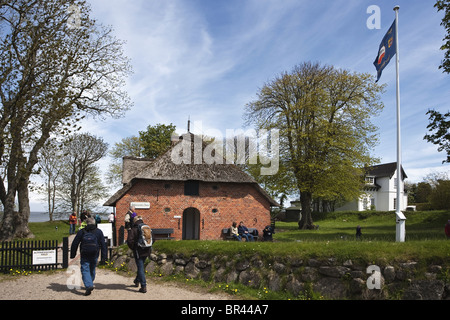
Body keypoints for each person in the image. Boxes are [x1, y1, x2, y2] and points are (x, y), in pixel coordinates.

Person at [70, 217, 107, 296]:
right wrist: (104, 257)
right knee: (92, 268)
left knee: (85, 269)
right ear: (94, 223)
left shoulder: (82, 231)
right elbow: (103, 245)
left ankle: (88, 284)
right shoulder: (98, 232)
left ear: (86, 223)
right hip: (95, 253)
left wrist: (72, 254)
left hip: (84, 253)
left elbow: (75, 243)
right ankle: (89, 282)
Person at [127, 216, 152, 293]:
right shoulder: (147, 227)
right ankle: (137, 280)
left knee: (140, 268)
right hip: (147, 250)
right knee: (140, 266)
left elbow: (129, 241)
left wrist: (134, 248)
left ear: (134, 221)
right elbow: (153, 238)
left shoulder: (134, 229)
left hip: (138, 251)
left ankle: (143, 286)